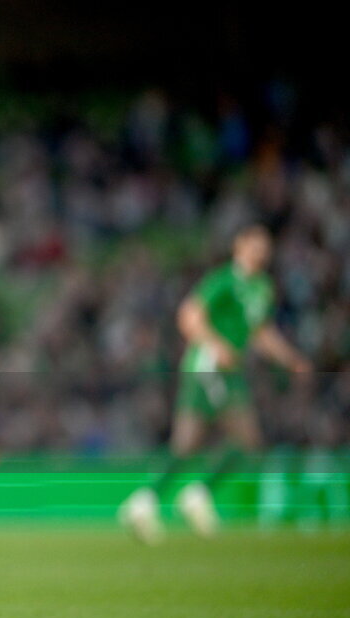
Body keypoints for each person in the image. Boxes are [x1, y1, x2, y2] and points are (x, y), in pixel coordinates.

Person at [119, 225, 312, 544]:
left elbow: (260, 334)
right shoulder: (224, 280)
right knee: (234, 438)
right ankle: (183, 496)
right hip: (207, 368)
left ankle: (153, 501)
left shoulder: (262, 288)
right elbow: (189, 316)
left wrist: (291, 360)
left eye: (265, 247)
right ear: (239, 246)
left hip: (229, 371)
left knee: (208, 443)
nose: (260, 252)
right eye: (254, 245)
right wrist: (216, 344)